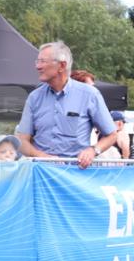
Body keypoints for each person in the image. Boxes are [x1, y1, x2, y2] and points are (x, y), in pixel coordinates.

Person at [16, 41, 118, 169]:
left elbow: (112, 135)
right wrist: (42, 156)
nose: (38, 66)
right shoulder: (34, 97)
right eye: (37, 61)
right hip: (41, 172)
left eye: (43, 61)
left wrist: (93, 150)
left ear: (62, 66)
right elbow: (21, 141)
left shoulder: (90, 95)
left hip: (75, 175)